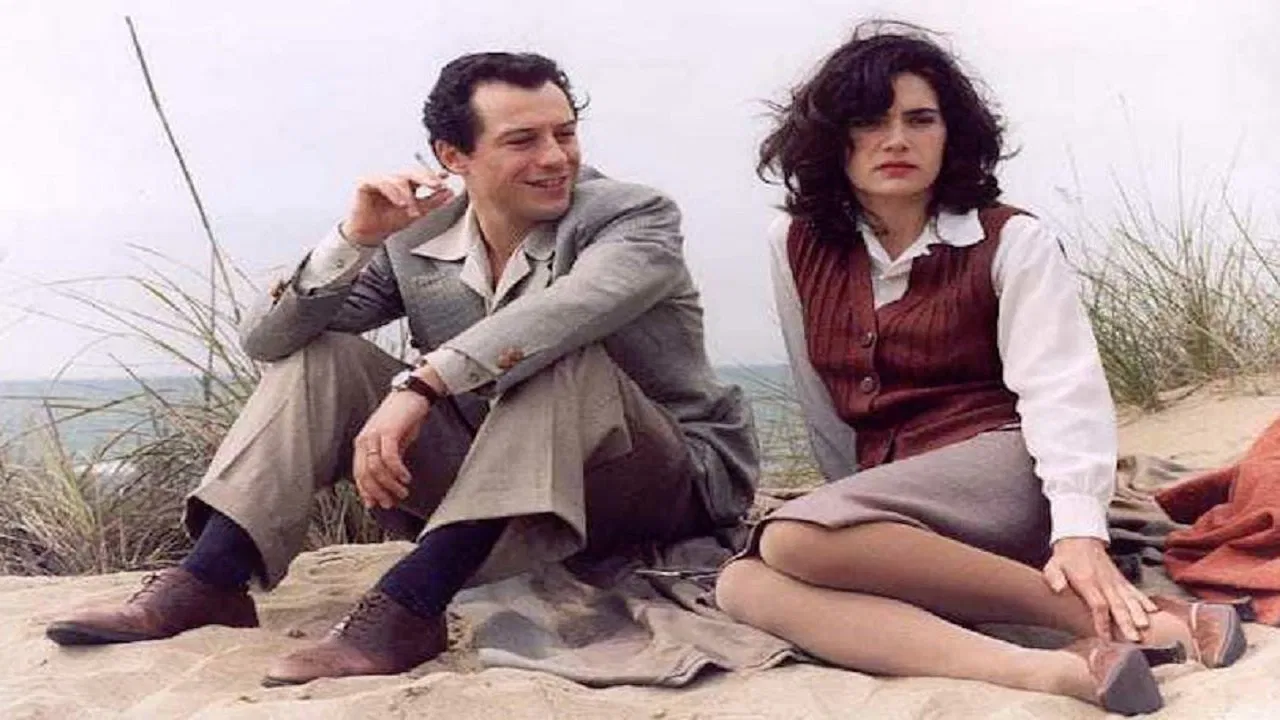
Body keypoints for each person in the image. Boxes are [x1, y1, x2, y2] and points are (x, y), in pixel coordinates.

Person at [46, 51, 758, 686]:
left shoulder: (633, 217)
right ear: (454, 155)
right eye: (523, 140)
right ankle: (213, 577)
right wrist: (354, 238)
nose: (555, 158)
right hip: (502, 476)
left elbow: (566, 313)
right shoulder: (420, 235)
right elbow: (267, 339)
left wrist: (420, 384)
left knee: (554, 359)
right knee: (322, 356)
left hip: (661, 482)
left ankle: (411, 604)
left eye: (565, 133)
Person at [713, 22, 1245, 716]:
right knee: (743, 585)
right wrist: (855, 515)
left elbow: (1062, 393)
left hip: (1005, 469)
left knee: (792, 538)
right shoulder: (794, 243)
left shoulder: (1009, 240)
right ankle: (1045, 672)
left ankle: (1127, 616)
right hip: (899, 496)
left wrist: (1079, 531)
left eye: (920, 120)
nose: (895, 140)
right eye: (869, 121)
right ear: (831, 139)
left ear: (951, 133)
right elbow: (822, 401)